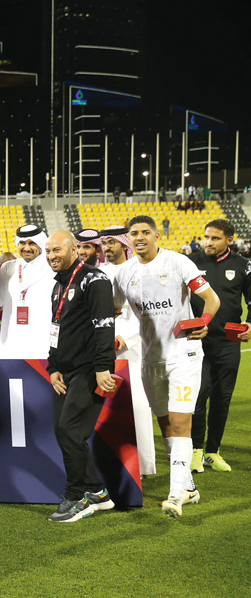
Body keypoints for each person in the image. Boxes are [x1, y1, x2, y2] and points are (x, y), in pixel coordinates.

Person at [111, 215, 221, 517]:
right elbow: (113, 308)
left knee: (180, 423)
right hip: (150, 359)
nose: (140, 237)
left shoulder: (178, 263)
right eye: (134, 233)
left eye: (146, 232)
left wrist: (205, 322)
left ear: (156, 235)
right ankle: (189, 487)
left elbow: (210, 299)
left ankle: (175, 496)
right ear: (129, 239)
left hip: (183, 354)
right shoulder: (123, 273)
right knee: (166, 426)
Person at [45, 230, 118, 523]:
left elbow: (104, 325)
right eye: (48, 251)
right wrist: (53, 367)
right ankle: (98, 493)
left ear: (74, 249)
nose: (51, 256)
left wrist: (103, 368)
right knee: (65, 432)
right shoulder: (58, 285)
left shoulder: (95, 279)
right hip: (66, 371)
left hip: (90, 369)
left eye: (57, 250)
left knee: (70, 431)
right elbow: (56, 328)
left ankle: (77, 498)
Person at [188, 219, 251, 473]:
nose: (208, 242)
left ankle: (212, 452)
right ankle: (195, 450)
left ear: (229, 239)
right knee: (198, 396)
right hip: (197, 342)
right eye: (206, 237)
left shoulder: (243, 266)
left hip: (228, 343)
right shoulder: (191, 262)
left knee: (222, 399)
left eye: (215, 238)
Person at [100, 225, 156, 476]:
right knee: (105, 407)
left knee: (137, 406)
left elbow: (146, 313)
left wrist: (128, 337)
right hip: (102, 349)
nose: (107, 248)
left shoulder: (140, 272)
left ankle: (142, 466)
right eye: (105, 244)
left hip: (132, 350)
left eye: (112, 243)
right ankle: (110, 460)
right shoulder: (99, 272)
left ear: (125, 245)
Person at [0, 224, 54, 359]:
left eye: (32, 243)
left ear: (41, 244)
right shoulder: (8, 268)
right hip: (12, 338)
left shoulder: (53, 269)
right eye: (22, 243)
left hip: (41, 340)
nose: (26, 248)